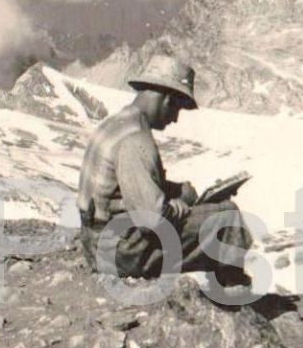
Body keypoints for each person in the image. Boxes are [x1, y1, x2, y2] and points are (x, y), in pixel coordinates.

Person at [76, 51, 252, 290]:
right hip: (121, 253)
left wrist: (179, 192)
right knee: (228, 218)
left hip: (96, 241)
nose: (175, 119)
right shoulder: (136, 139)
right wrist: (178, 207)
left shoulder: (118, 123)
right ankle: (234, 295)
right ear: (167, 99)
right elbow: (151, 220)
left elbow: (126, 190)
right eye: (177, 109)